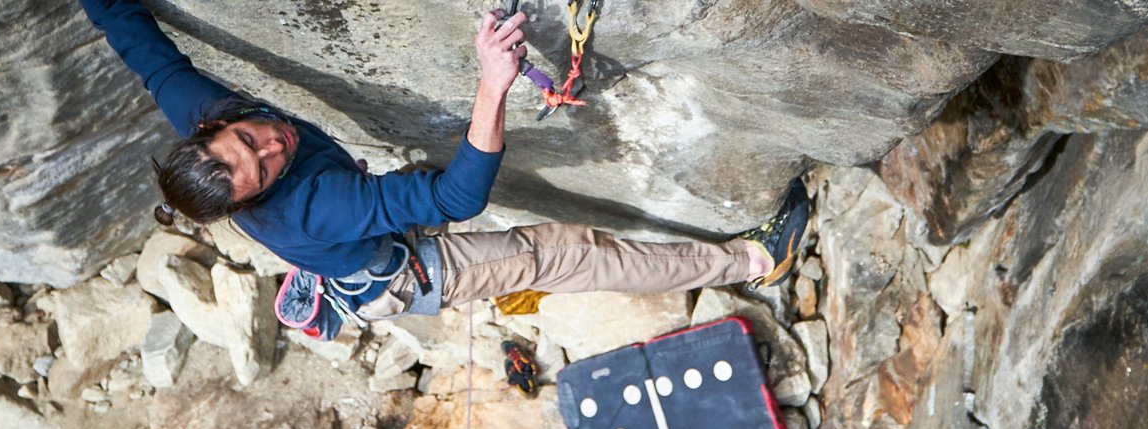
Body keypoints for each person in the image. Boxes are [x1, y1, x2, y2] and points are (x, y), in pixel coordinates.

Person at [78, 0, 812, 336]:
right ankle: (751, 259)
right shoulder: (319, 205)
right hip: (406, 271)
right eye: (264, 168)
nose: (272, 144)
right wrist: (493, 84)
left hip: (352, 236)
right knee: (564, 254)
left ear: (212, 126)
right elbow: (458, 198)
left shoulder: (199, 111)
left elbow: (134, 39)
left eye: (252, 141)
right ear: (256, 199)